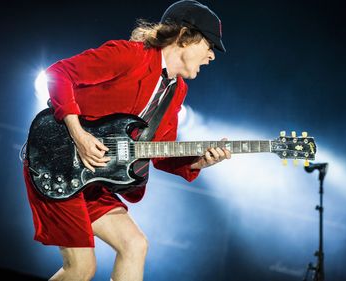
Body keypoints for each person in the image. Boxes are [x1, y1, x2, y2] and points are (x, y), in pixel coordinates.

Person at [22, 1, 230, 280]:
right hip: (57, 161)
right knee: (81, 268)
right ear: (183, 36)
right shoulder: (130, 55)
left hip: (97, 178)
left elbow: (160, 153)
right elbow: (59, 74)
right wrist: (79, 133)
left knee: (135, 245)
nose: (211, 56)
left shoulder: (177, 90)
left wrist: (200, 162)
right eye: (208, 45)